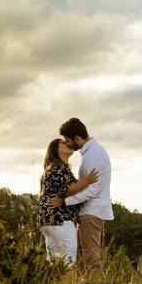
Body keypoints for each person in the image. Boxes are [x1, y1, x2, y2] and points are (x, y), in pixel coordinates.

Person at [49, 117, 113, 272]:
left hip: (91, 213)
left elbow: (92, 190)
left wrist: (64, 202)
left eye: (68, 140)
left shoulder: (92, 155)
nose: (67, 143)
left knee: (91, 259)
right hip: (89, 212)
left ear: (77, 138)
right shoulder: (93, 151)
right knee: (81, 258)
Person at [37, 138, 99, 265]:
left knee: (55, 263)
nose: (68, 144)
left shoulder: (54, 168)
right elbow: (67, 190)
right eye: (63, 143)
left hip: (50, 221)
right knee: (67, 262)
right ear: (56, 150)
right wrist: (87, 181)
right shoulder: (58, 167)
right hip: (60, 220)